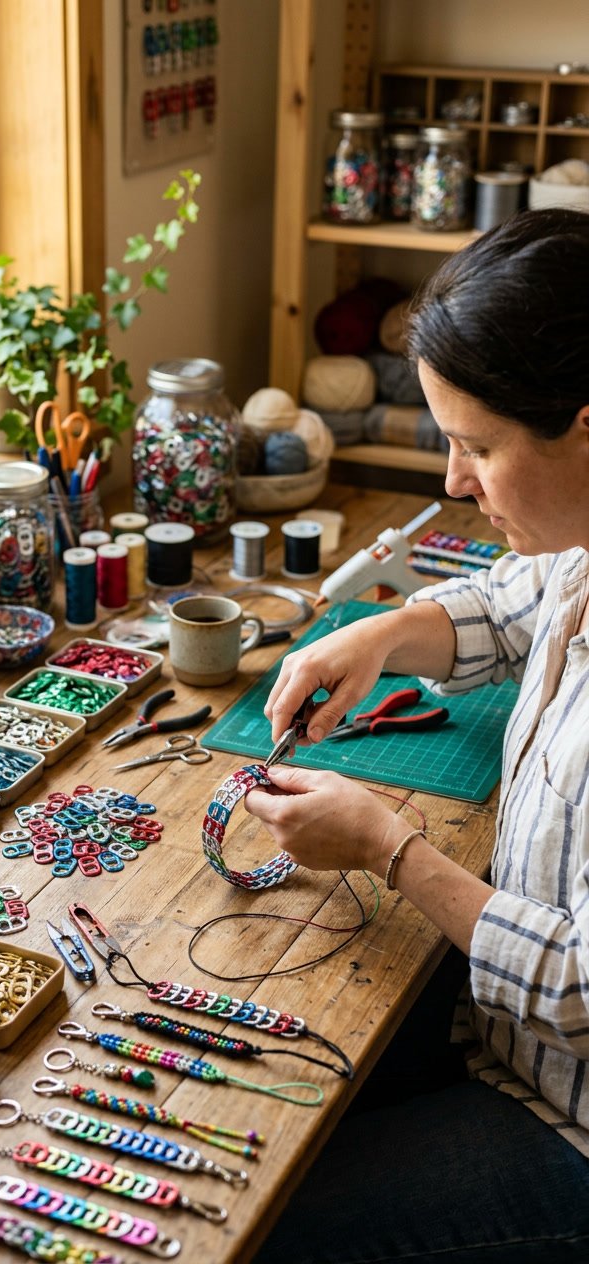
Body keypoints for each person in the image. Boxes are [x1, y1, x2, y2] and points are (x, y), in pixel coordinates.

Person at [246, 207, 589, 1264]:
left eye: (476, 447)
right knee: (268, 1101)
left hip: (568, 1127)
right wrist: (391, 630)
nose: (451, 483)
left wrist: (389, 849)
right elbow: (526, 598)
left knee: (262, 1225)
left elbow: (579, 988)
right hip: (501, 1041)